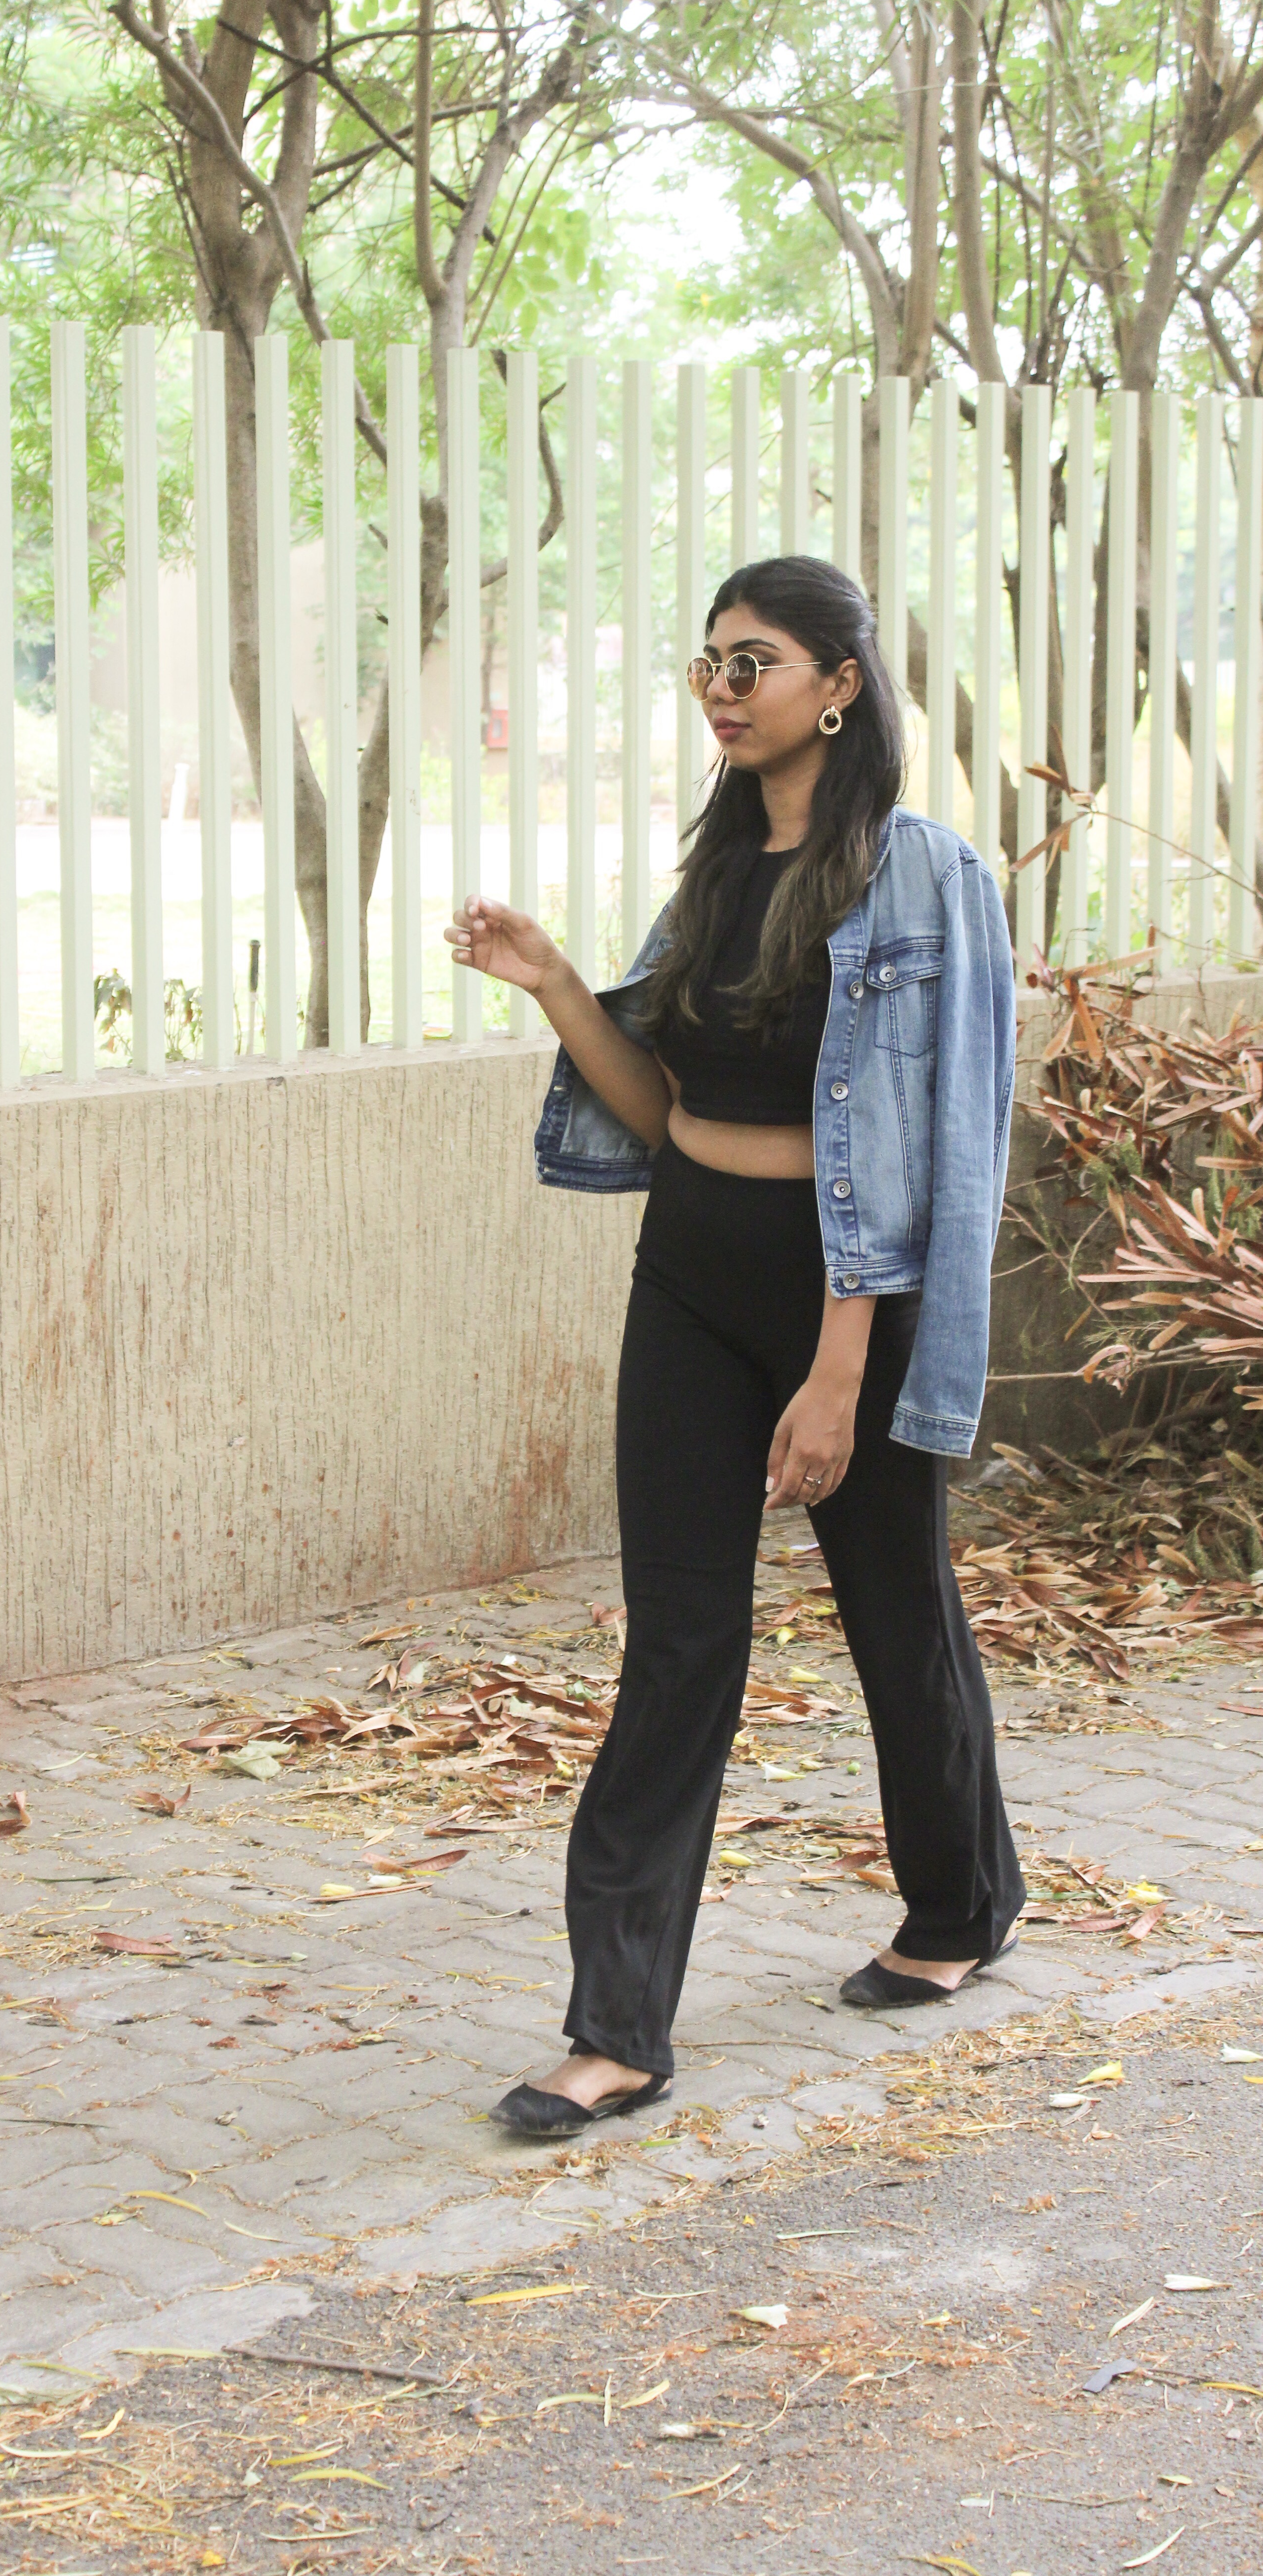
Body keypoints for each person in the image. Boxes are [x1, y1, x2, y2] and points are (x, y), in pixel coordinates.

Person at [446, 553, 1025, 2142]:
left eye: (753, 659)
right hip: (691, 1284)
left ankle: (962, 1905)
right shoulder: (714, 876)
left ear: (839, 683)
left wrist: (840, 1371)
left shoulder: (923, 877)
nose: (723, 686)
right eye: (708, 660)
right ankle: (617, 2028)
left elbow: (935, 1146)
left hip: (847, 1305)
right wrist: (558, 986)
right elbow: (664, 1116)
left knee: (895, 1610)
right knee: (679, 1639)